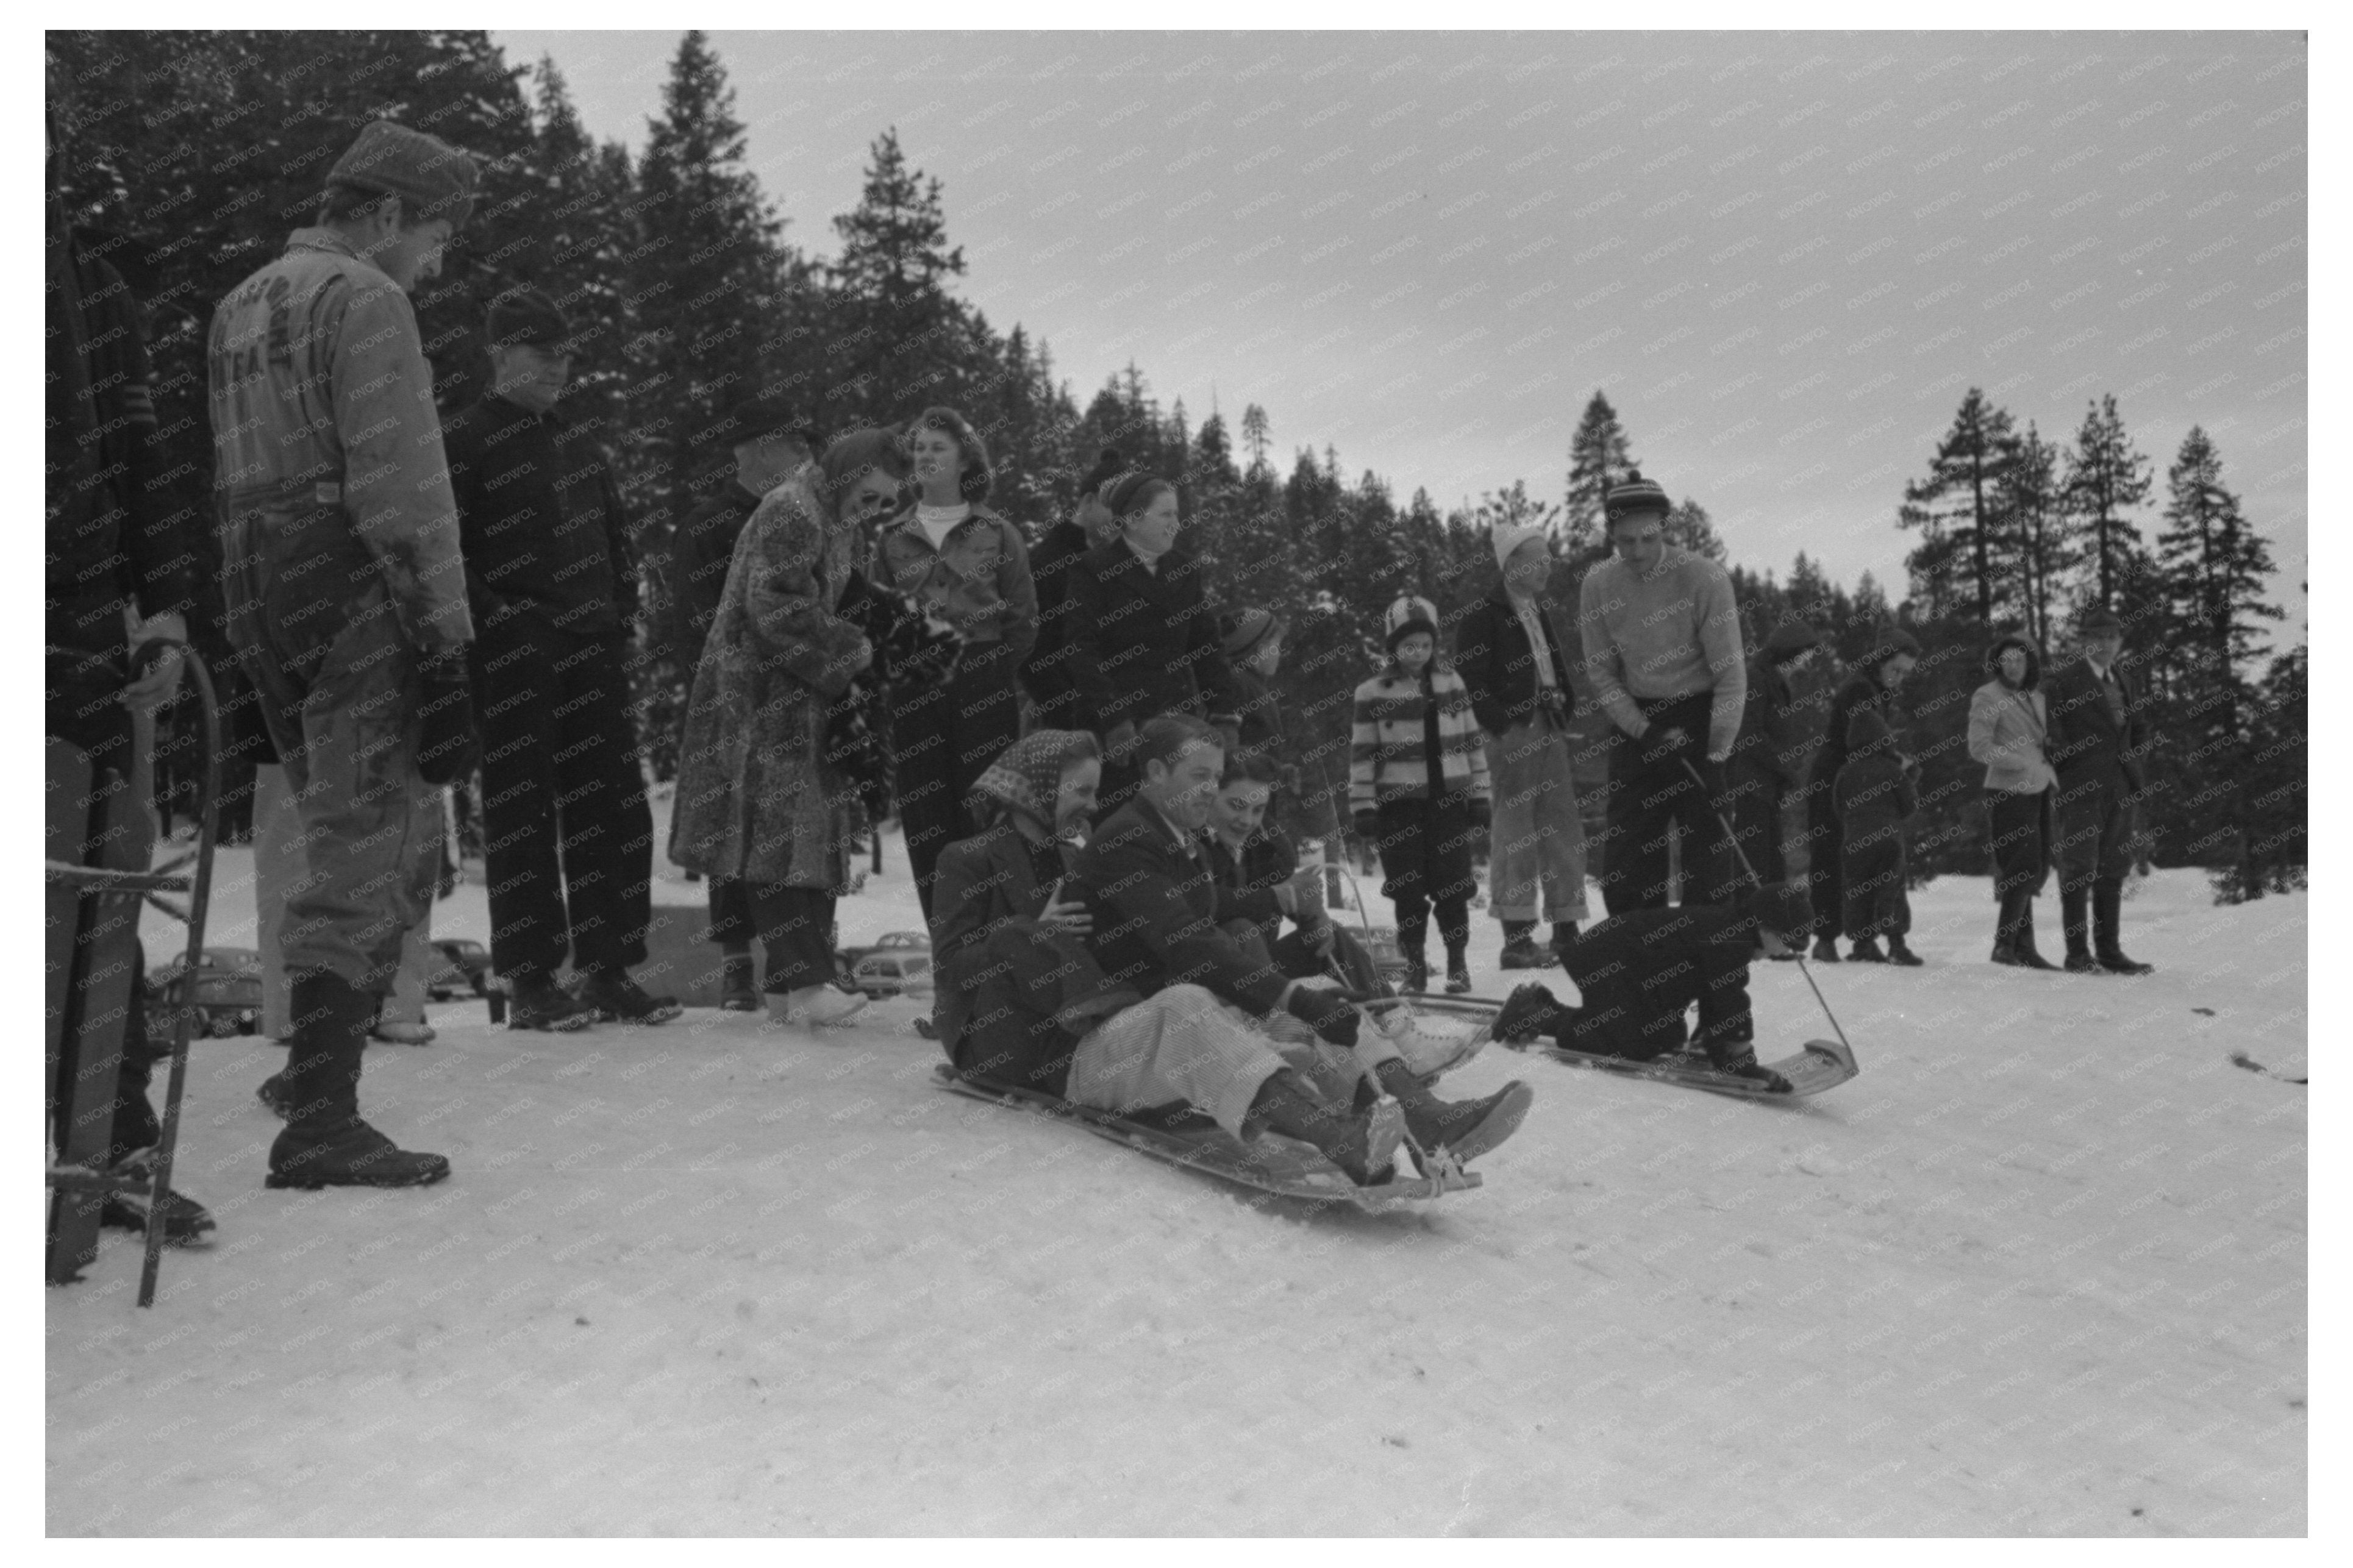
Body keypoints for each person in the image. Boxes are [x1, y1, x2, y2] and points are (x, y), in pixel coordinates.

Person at [209, 119, 482, 1189]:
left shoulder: (243, 302)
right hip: (352, 580)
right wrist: (445, 644)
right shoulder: (368, 301)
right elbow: (404, 490)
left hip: (258, 580)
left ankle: (311, 1069)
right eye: (433, 232)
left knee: (326, 821)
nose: (437, 259)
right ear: (381, 214)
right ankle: (321, 1111)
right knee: (368, 838)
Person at [1049, 718, 1530, 1183]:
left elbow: (1212, 925)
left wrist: (1302, 995)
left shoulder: (1183, 842)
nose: (1209, 789)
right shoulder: (1128, 841)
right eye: (1198, 776)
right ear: (1155, 773)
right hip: (1098, 1049)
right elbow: (1187, 946)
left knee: (1316, 986)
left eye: (1214, 777)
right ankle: (1343, 1143)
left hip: (1162, 1040)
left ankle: (1426, 1119)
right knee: (1194, 1004)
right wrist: (1292, 1001)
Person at [46, 82, 213, 1243]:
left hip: (70, 625)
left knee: (98, 891)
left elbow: (150, 468)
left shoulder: (92, 291)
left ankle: (104, 1146)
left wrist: (164, 612)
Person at [442, 288, 679, 1032]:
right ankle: (531, 977)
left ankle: (608, 967)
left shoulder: (579, 443)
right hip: (514, 651)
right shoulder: (464, 440)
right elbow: (440, 550)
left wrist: (621, 616)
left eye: (565, 353)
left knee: (613, 805)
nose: (556, 367)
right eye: (539, 352)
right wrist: (499, 621)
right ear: (497, 354)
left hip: (594, 648)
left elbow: (616, 540)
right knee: (521, 810)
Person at [669, 429, 906, 1027]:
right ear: (851, 472)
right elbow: (775, 607)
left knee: (809, 831)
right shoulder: (793, 511)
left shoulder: (832, 517)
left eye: (885, 503)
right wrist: (854, 651)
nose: (874, 511)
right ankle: (804, 983)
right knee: (781, 834)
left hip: (800, 698)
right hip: (760, 701)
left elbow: (835, 595)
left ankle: (792, 986)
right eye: (873, 496)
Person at [649, 390, 817, 1011]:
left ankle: (800, 963)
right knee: (730, 828)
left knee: (792, 827)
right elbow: (692, 618)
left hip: (795, 694)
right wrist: (723, 686)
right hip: (730, 695)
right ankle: (736, 964)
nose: (803, 456)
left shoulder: (804, 517)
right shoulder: (711, 521)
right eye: (792, 443)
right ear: (753, 449)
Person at [873, 406, 1038, 919]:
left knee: (987, 813)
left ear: (966, 459)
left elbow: (1023, 618)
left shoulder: (999, 532)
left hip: (983, 679)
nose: (925, 456)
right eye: (918, 448)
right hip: (914, 683)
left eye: (937, 447)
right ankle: (948, 952)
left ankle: (997, 945)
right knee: (927, 820)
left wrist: (988, 671)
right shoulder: (889, 538)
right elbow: (873, 618)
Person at [1577, 469, 1748, 914]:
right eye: (1625, 541)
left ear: (1664, 530)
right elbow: (1602, 674)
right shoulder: (1598, 584)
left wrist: (1716, 755)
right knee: (1629, 857)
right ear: (1611, 534)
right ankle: (1641, 959)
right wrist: (1642, 731)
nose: (1636, 551)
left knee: (1707, 853)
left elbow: (1730, 675)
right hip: (1638, 719)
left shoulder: (1704, 578)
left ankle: (1706, 957)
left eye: (1647, 539)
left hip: (1701, 714)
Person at [1491, 883, 1817, 1092]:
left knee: (1663, 1036)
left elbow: (1714, 992)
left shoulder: (1732, 930)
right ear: (1763, 925)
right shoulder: (1730, 937)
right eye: (1787, 942)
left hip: (1629, 967)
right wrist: (1741, 1060)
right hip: (1608, 960)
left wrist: (1714, 1044)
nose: (1786, 952)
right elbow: (1728, 997)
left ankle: (1579, 1016)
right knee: (1627, 1047)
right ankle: (1538, 1013)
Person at [1065, 474, 1245, 811]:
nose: (1176, 524)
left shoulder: (1185, 571)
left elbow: (1207, 646)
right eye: (1166, 515)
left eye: (1176, 514)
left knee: (1178, 818)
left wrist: (1224, 711)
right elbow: (1081, 649)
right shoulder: (1092, 570)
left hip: (1177, 723)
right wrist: (1113, 718)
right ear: (1132, 519)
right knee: (1122, 822)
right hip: (1119, 732)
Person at [1455, 523, 1588, 971]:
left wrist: (1565, 704)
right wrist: (1502, 724)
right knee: (1516, 833)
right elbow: (1469, 682)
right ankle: (1517, 937)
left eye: (1549, 559)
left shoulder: (1537, 610)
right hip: (1513, 733)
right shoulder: (1482, 615)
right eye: (1537, 560)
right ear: (1510, 564)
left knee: (1562, 828)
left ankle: (1567, 930)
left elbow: (1553, 664)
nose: (1546, 568)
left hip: (1548, 728)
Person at [929, 730, 1105, 1063]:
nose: (1094, 806)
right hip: (992, 1038)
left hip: (1061, 1024)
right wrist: (1034, 935)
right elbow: (950, 969)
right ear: (1042, 785)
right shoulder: (967, 858)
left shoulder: (1074, 857)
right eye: (1082, 791)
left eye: (1095, 793)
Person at [1351, 597, 1493, 994]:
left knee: (1452, 886)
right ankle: (1414, 965)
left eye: (1425, 645)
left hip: (1448, 803)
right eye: (1408, 645)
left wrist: (1480, 795)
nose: (1417, 653)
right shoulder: (1372, 692)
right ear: (1393, 648)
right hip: (1398, 807)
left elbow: (1470, 743)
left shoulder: (1452, 684)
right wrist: (1362, 806)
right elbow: (1361, 755)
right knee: (1407, 888)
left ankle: (1457, 963)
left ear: (1434, 646)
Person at [1202, 753, 1385, 995]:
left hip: (1256, 969)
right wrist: (1280, 897)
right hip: (1197, 978)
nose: (1247, 820)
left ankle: (1389, 1017)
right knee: (1241, 930)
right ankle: (1274, 1022)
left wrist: (1311, 915)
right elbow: (1199, 901)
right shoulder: (1188, 841)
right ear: (1211, 797)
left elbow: (1293, 895)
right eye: (1236, 805)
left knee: (1332, 939)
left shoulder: (1269, 847)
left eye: (1258, 810)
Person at [2044, 605, 2156, 975]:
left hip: (2121, 787)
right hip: (2080, 789)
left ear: (2120, 642)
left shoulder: (2124, 678)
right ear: (2084, 641)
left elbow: (2138, 727)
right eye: (2097, 637)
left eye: (2111, 637)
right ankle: (2078, 954)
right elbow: (2050, 735)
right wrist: (2071, 769)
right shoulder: (2063, 681)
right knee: (2078, 868)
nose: (2105, 644)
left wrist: (2132, 763)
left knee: (2114, 868)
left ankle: (2109, 952)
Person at [1801, 629, 1920, 961]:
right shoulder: (1860, 689)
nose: (1899, 679)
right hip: (1837, 780)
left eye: (1905, 674)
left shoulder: (1875, 689)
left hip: (1857, 781)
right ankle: (1827, 938)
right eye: (1895, 669)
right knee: (1832, 858)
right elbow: (1865, 736)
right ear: (1881, 661)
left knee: (1857, 860)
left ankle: (1859, 940)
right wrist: (1897, 763)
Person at [1968, 635, 2062, 969]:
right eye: (2006, 659)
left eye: (2020, 660)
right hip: (2008, 790)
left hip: (2039, 787)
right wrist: (2018, 762)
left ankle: (2025, 948)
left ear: (2030, 664)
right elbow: (1979, 747)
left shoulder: (2035, 697)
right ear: (1997, 663)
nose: (2013, 665)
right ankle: (2004, 945)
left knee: (2036, 864)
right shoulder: (1987, 696)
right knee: (2020, 866)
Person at [1021, 446, 1128, 729]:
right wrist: (1071, 713)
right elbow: (1032, 653)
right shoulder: (1046, 563)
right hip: (1075, 729)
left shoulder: (1124, 560)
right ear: (1089, 502)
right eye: (1115, 508)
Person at [1724, 622, 1824, 888]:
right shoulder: (1757, 678)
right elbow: (1750, 734)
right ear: (1789, 651)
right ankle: (1751, 925)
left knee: (1772, 870)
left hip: (1768, 789)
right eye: (1805, 655)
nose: (1807, 663)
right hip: (1751, 787)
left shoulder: (1777, 682)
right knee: (1755, 869)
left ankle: (1767, 924)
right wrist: (1784, 768)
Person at [1833, 709, 1921, 964]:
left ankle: (1863, 946)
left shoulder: (1845, 772)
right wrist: (1910, 775)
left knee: (1858, 891)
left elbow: (1839, 807)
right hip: (1888, 841)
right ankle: (1897, 945)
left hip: (1854, 841)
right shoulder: (1892, 770)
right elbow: (1909, 804)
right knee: (1891, 890)